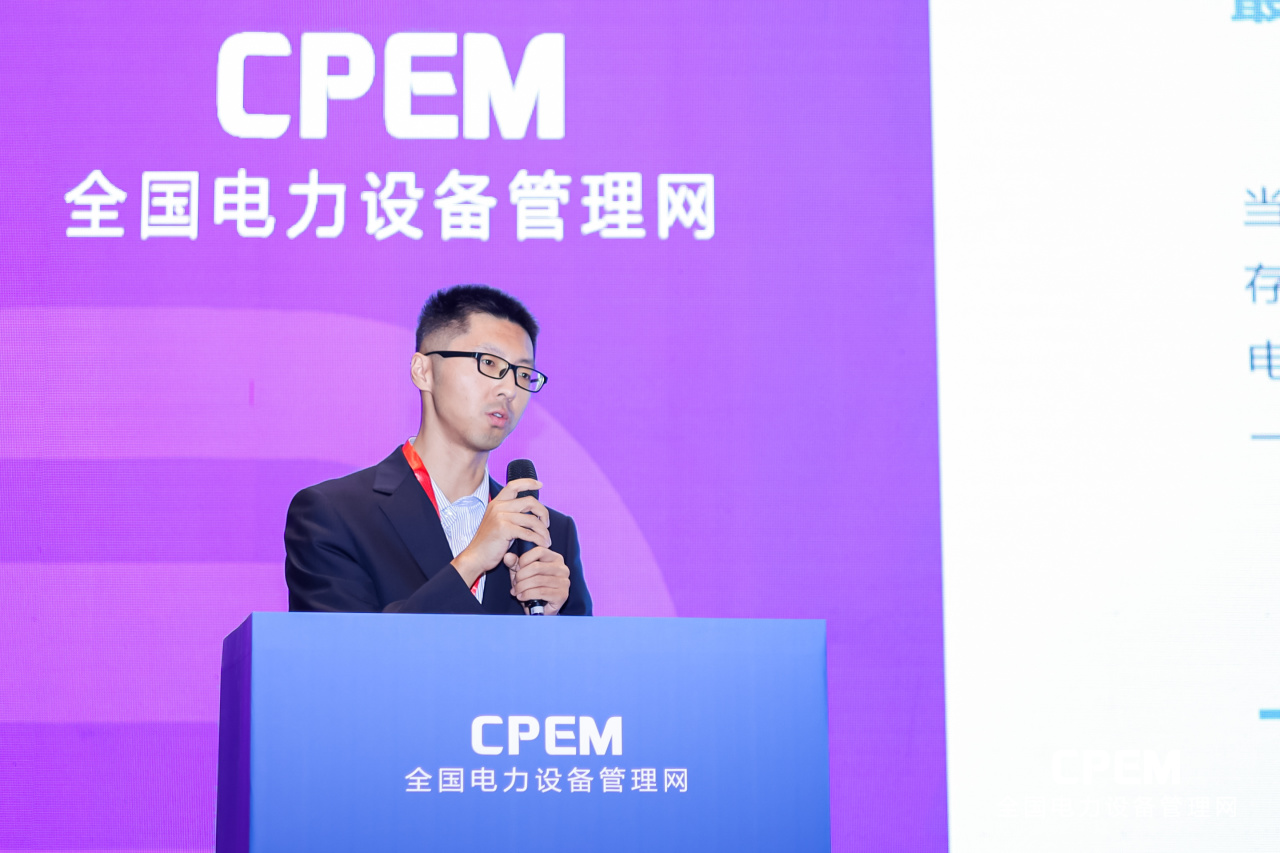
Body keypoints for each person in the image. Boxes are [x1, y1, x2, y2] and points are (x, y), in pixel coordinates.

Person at [284, 284, 592, 616]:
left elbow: (581, 650)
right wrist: (472, 561)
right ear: (423, 372)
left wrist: (553, 623)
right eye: (489, 362)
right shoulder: (334, 514)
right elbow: (342, 646)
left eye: (523, 373)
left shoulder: (549, 532)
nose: (509, 389)